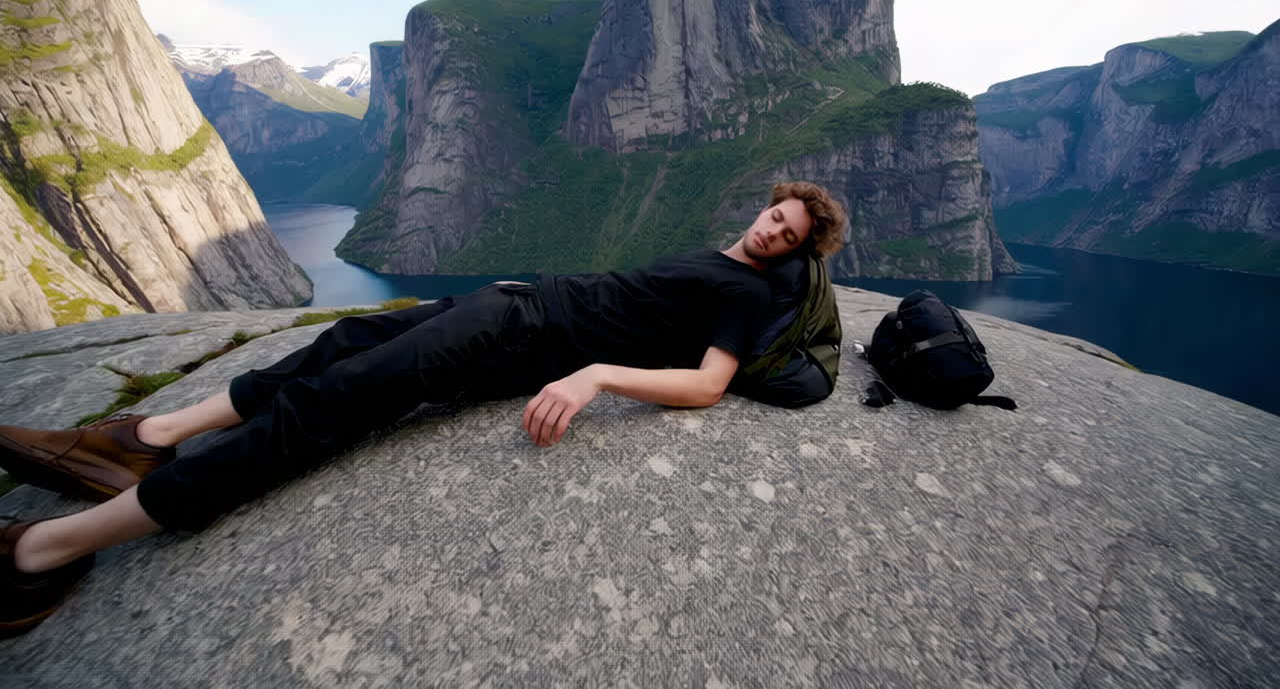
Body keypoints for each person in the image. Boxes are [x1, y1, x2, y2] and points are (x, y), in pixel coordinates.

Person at [0, 181, 847, 638]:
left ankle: (40, 553)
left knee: (326, 407)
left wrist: (595, 376)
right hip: (508, 304)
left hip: (516, 339)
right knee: (342, 343)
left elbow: (705, 384)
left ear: (799, 252)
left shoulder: (744, 293)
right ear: (764, 206)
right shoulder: (718, 254)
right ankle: (148, 436)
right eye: (777, 214)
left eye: (792, 233)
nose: (774, 230)